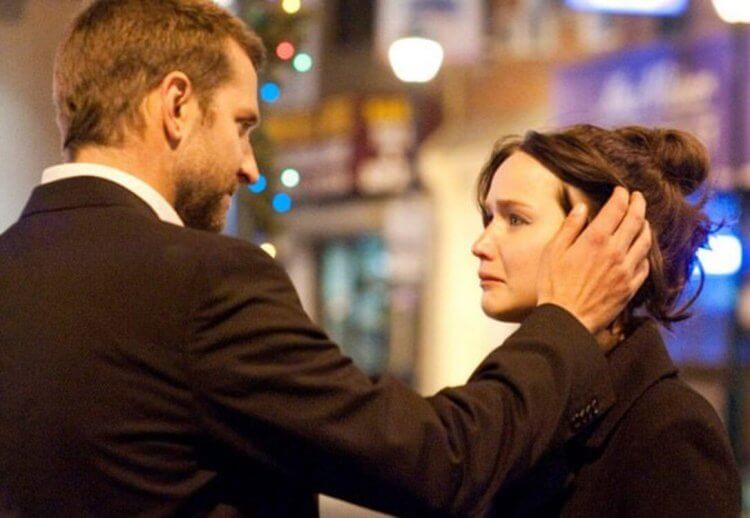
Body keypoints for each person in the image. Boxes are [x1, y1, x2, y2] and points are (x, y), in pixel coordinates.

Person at [0, 1, 651, 516]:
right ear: (176, 106)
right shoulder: (203, 281)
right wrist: (566, 321)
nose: (250, 167)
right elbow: (439, 463)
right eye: (241, 125)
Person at [472, 124, 742, 517]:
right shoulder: (524, 406)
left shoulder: (671, 429)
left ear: (607, 239)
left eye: (515, 219)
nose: (480, 244)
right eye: (489, 217)